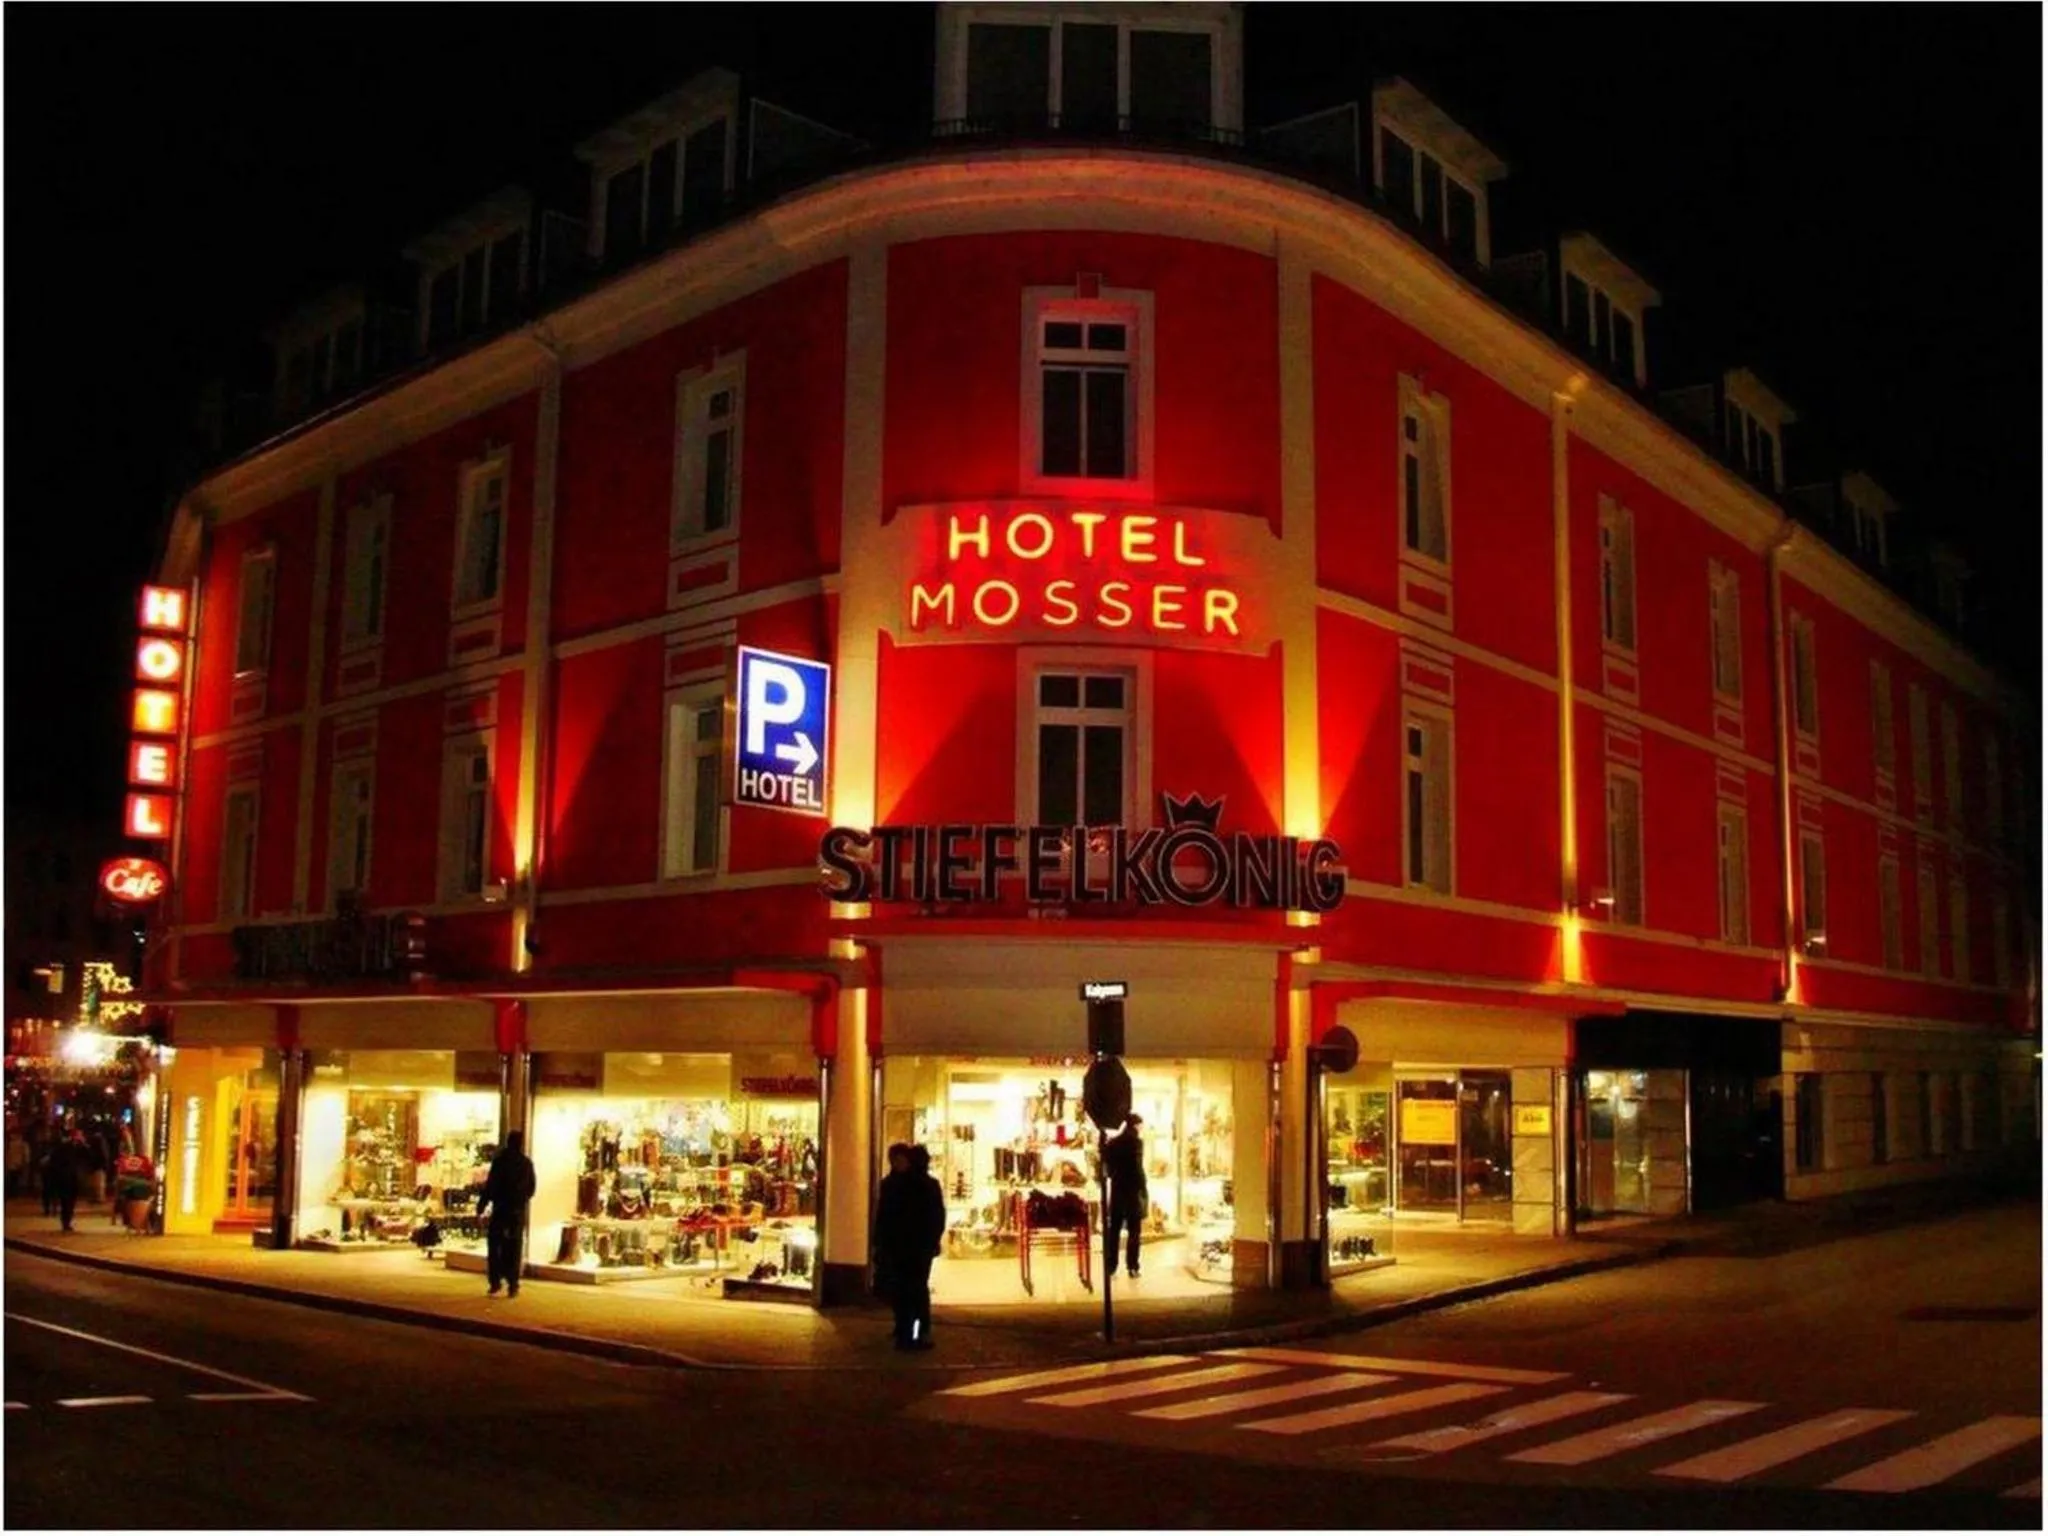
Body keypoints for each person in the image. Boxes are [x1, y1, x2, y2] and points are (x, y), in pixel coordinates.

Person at [874, 1142, 946, 1350]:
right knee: (908, 1290)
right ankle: (909, 1331)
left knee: (912, 1290)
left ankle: (912, 1333)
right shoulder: (897, 1184)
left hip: (913, 1247)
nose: (898, 1163)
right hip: (906, 1247)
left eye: (901, 1159)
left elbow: (935, 1218)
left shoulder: (908, 1185)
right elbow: (883, 1216)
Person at [474, 1131, 536, 1298]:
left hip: (501, 1209)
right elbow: (531, 1188)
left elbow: (491, 1185)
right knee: (514, 1248)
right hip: (516, 1211)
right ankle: (513, 1283)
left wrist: (482, 1204)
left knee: (495, 1246)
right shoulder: (526, 1163)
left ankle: (495, 1282)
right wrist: (521, 1200)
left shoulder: (500, 1162)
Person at [1103, 1115, 1148, 1279]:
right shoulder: (1136, 1143)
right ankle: (1132, 1266)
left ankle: (1111, 1267)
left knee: (1113, 1230)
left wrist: (1114, 1174)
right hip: (1132, 1192)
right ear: (1135, 1125)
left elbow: (1106, 1166)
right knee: (1134, 1232)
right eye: (1140, 1125)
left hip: (1117, 1190)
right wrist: (1143, 1187)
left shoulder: (1113, 1143)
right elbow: (1137, 1168)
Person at [45, 1130, 86, 1233]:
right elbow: (55, 1162)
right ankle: (65, 1222)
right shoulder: (63, 1147)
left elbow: (89, 1157)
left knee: (71, 1201)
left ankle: (67, 1221)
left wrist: (84, 1144)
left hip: (74, 1178)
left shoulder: (80, 1147)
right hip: (64, 1178)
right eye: (77, 1135)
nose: (79, 1137)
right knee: (65, 1201)